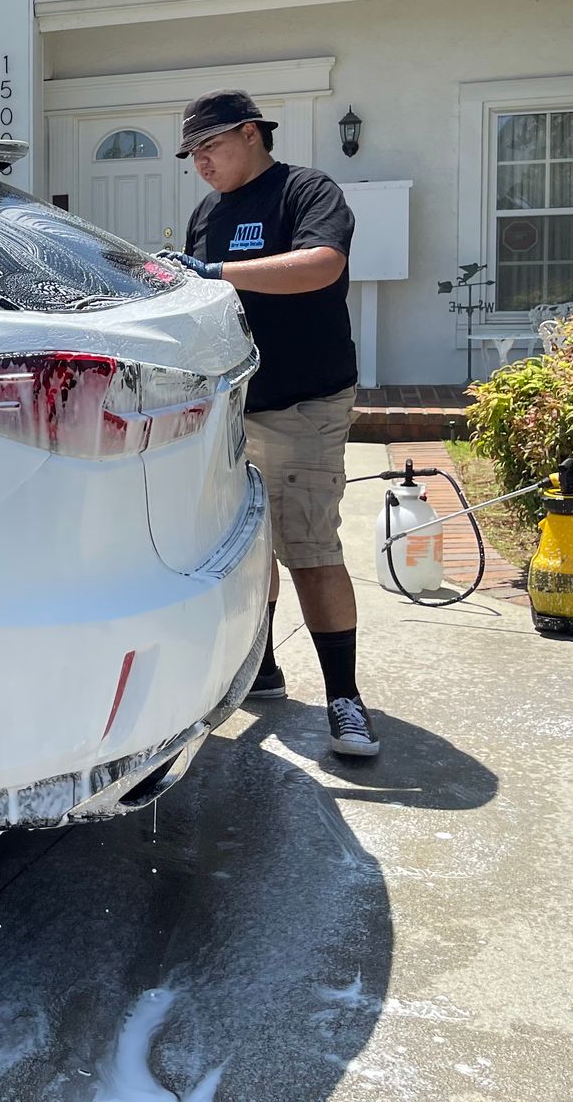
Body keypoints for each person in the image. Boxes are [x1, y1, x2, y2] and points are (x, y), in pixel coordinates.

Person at [165, 88, 377, 758]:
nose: (201, 162)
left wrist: (217, 271)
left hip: (303, 405)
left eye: (211, 146)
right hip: (232, 407)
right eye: (193, 153)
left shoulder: (305, 192)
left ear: (252, 134)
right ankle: (262, 668)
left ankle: (345, 699)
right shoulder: (206, 213)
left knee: (308, 548)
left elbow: (322, 266)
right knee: (248, 547)